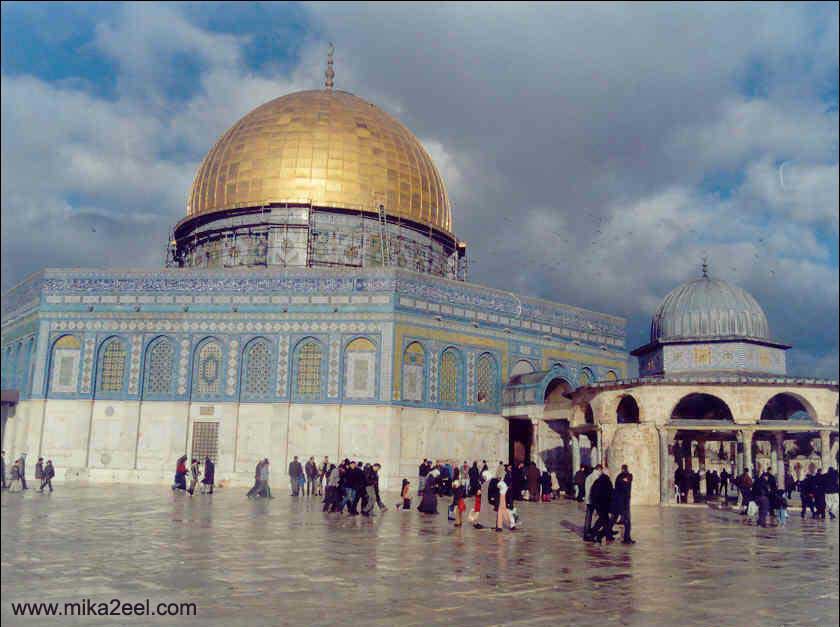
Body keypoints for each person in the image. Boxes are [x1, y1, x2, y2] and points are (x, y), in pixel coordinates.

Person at [609, 465, 635, 544]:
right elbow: (624, 485)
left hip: (618, 501)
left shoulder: (622, 477)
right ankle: (626, 538)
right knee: (627, 521)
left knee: (614, 518)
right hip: (623, 502)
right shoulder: (623, 477)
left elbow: (626, 482)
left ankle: (607, 533)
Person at [589, 469, 614, 543]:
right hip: (605, 504)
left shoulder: (597, 481)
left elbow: (593, 493)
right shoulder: (608, 482)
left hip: (598, 504)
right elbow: (610, 494)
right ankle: (595, 534)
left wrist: (594, 504)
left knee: (603, 520)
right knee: (603, 520)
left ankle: (606, 536)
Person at [583, 465, 601, 541]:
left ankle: (587, 531)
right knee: (602, 516)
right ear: (599, 469)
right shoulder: (596, 477)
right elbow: (596, 490)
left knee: (588, 516)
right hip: (594, 499)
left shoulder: (589, 477)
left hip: (588, 499)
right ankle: (591, 532)